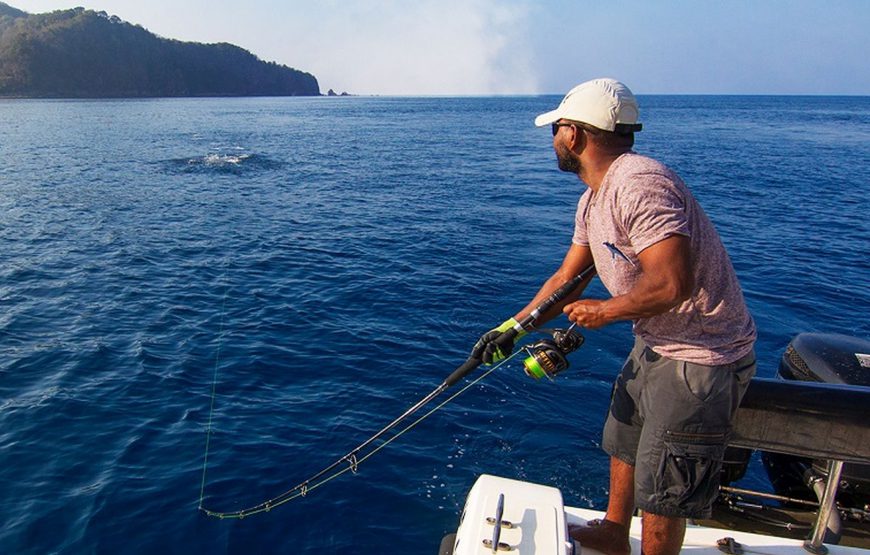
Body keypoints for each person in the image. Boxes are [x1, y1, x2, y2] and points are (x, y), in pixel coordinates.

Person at [471, 78, 757, 555]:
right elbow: (568, 279)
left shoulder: (640, 183)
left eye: (557, 129)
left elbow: (672, 284)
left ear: (576, 136)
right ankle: (613, 530)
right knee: (624, 437)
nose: (554, 139)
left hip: (700, 356)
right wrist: (511, 329)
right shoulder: (593, 197)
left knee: (666, 483)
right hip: (657, 341)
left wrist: (607, 310)